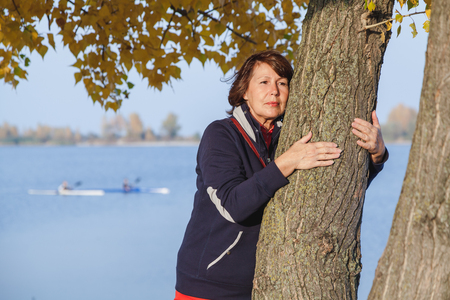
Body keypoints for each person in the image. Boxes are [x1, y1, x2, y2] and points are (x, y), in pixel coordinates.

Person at [174, 50, 388, 300]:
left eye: (282, 83)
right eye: (263, 82)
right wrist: (288, 161)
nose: (274, 91)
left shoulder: (287, 139)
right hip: (208, 286)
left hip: (264, 286)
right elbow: (233, 205)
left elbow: (338, 187)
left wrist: (377, 155)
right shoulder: (221, 135)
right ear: (245, 91)